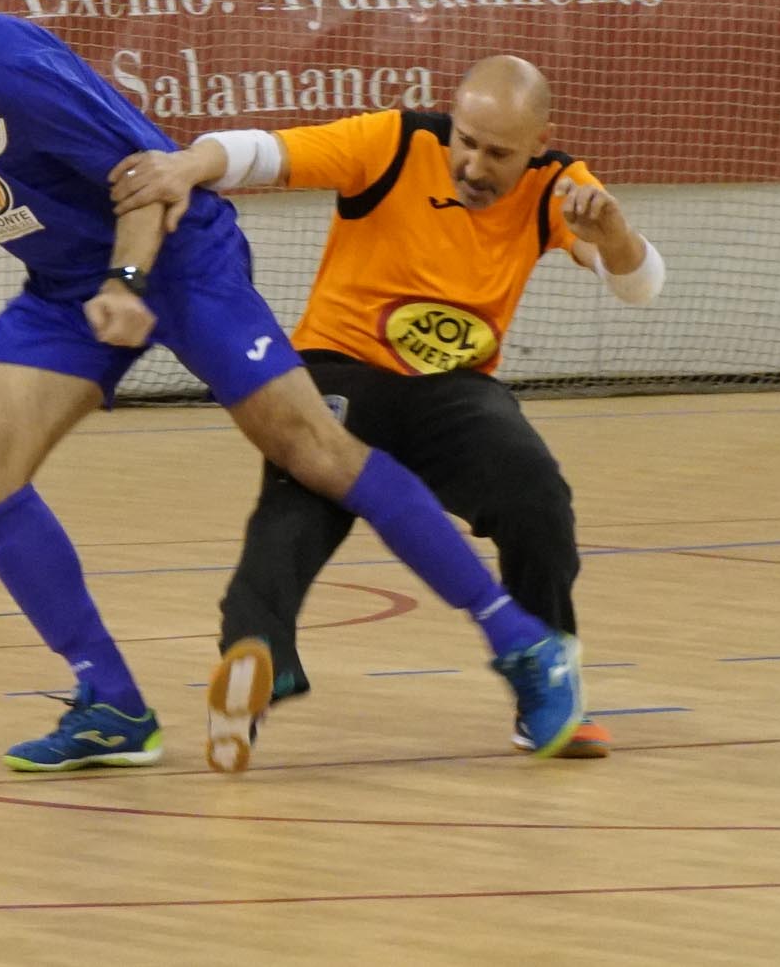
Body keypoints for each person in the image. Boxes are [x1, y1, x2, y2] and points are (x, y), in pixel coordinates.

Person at [0, 0, 585, 773]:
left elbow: (148, 177)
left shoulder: (11, 69)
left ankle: (524, 644)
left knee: (312, 451)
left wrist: (127, 280)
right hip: (64, 286)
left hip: (181, 257)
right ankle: (110, 701)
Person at [110, 55, 664, 769]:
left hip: (457, 389)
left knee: (537, 496)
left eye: (497, 152)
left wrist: (615, 235)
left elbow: (640, 285)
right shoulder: (395, 143)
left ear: (538, 141)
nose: (473, 162)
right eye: (466, 139)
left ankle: (546, 680)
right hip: (341, 374)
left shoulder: (561, 187)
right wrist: (188, 164)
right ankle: (257, 659)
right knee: (292, 516)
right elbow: (268, 152)